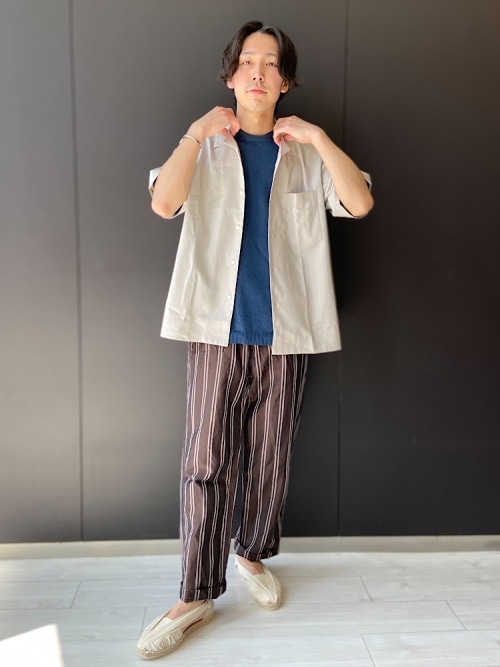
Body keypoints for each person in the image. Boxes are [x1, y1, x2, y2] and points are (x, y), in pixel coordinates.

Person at [136, 20, 373, 660]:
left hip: (286, 337)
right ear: (231, 75)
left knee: (271, 459)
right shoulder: (207, 147)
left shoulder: (305, 151)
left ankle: (252, 554)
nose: (258, 71)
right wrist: (194, 134)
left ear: (285, 80)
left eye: (270, 62)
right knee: (205, 463)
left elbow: (358, 203)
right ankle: (194, 594)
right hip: (216, 333)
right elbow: (163, 203)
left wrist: (319, 137)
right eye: (247, 60)